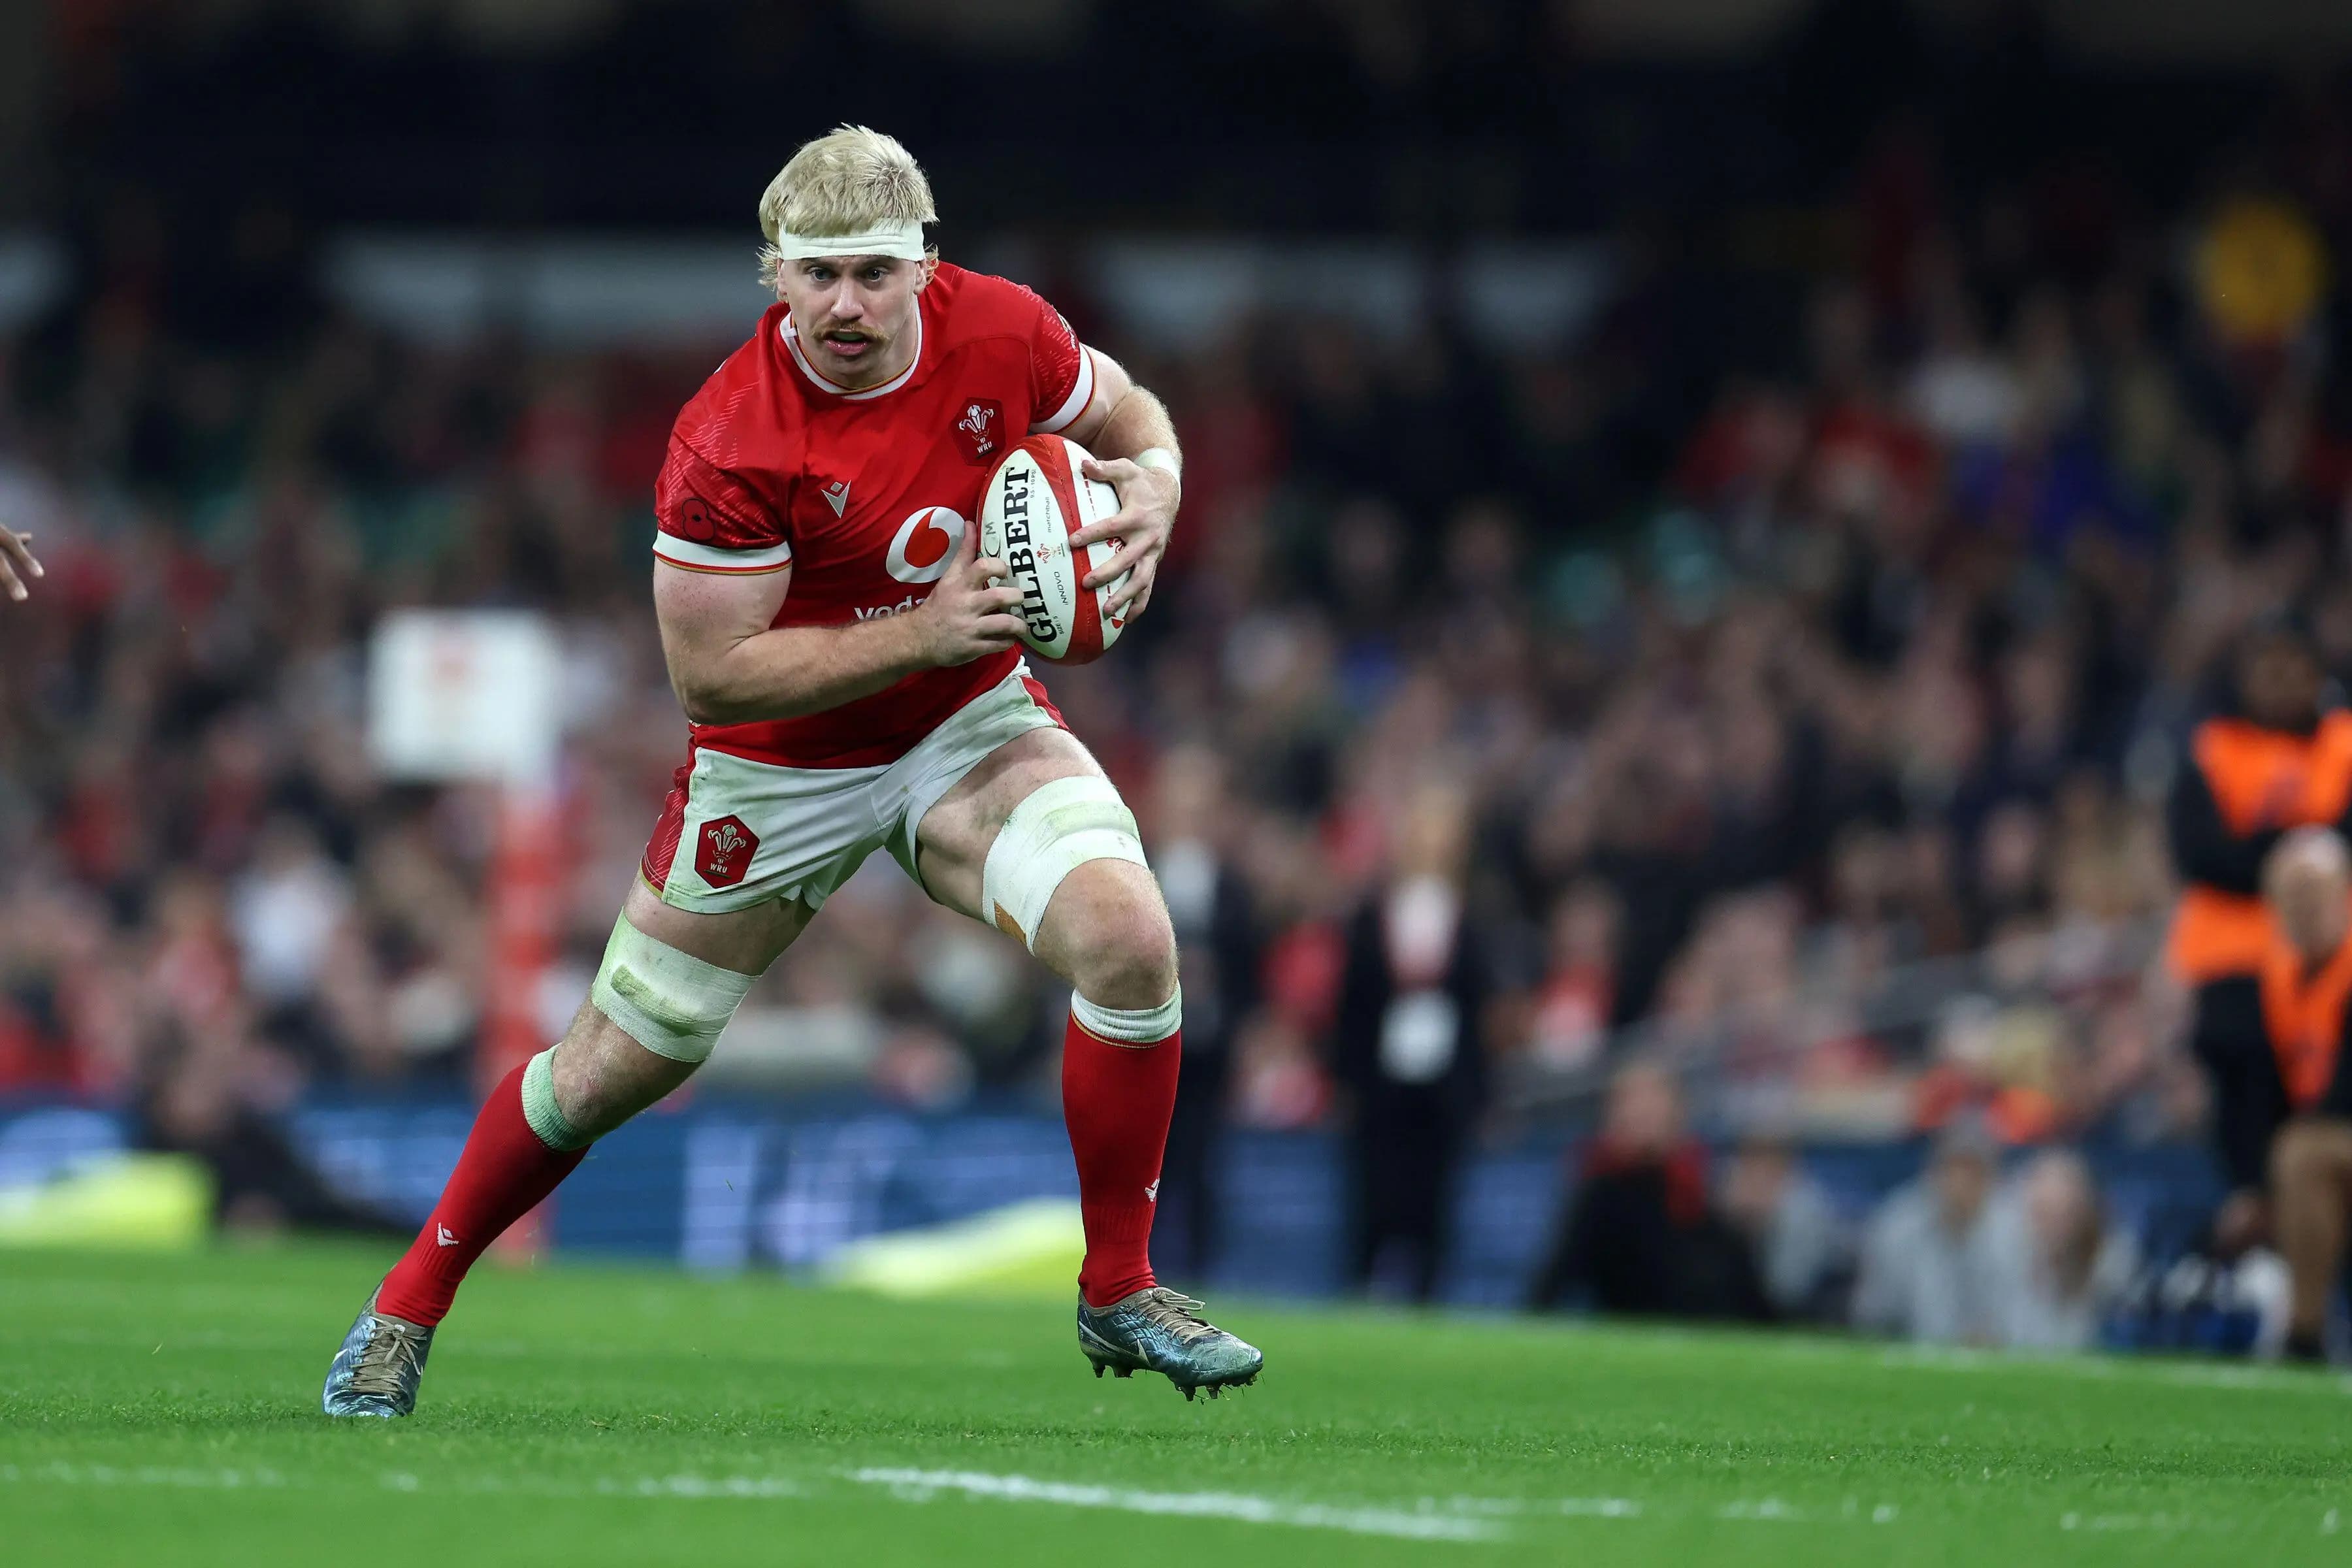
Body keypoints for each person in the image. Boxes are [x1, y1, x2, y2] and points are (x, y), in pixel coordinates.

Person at [320, 127, 1261, 1416]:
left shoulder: (1004, 330)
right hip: (780, 767)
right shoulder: (727, 437)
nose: (847, 305)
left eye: (874, 272)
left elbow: (1130, 410)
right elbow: (712, 680)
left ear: (924, 266)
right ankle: (403, 1307)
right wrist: (924, 629)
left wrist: (1155, 484)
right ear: (776, 276)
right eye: (818, 275)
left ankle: (1121, 1288)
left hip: (963, 722)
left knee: (1131, 941)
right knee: (608, 1069)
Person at [2166, 621, 2352, 1251]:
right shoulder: (2213, 749)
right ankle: (2254, 1205)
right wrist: (2302, 839)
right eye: (2266, 668)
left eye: (2293, 667)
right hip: (2236, 962)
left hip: (2333, 954)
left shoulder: (2342, 742)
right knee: (2243, 1079)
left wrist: (2258, 845)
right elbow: (2200, 855)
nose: (2280, 683)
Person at [1331, 780, 1492, 1303]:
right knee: (1371, 1200)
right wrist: (1346, 1080)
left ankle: (1428, 1299)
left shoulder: (1472, 919)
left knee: (1434, 1207)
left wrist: (1478, 1093)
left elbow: (1479, 1011)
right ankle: (1361, 1295)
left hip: (1443, 1089)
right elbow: (1352, 1004)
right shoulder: (1373, 915)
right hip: (1380, 1086)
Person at [1524, 1061, 1772, 1322]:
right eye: (1631, 1105)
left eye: (1653, 1105)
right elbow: (1556, 1278)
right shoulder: (1599, 1191)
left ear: (1677, 1113)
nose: (1642, 1115)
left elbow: (1743, 1287)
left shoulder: (1701, 1184)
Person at [2253, 826, 2352, 1362]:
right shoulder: (2280, 975)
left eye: (2313, 893)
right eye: (2290, 896)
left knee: (2302, 1154)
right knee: (2294, 1154)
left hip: (2333, 1131)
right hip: (2326, 1131)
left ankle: (2304, 1332)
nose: (2303, 908)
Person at [1851, 1120, 2002, 1344]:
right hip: (1907, 1352)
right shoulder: (1897, 1226)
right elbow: (1871, 1315)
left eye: (1973, 1173)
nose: (1961, 1184)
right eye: (1952, 1170)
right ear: (1932, 1173)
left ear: (1990, 1179)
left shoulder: (2014, 1232)